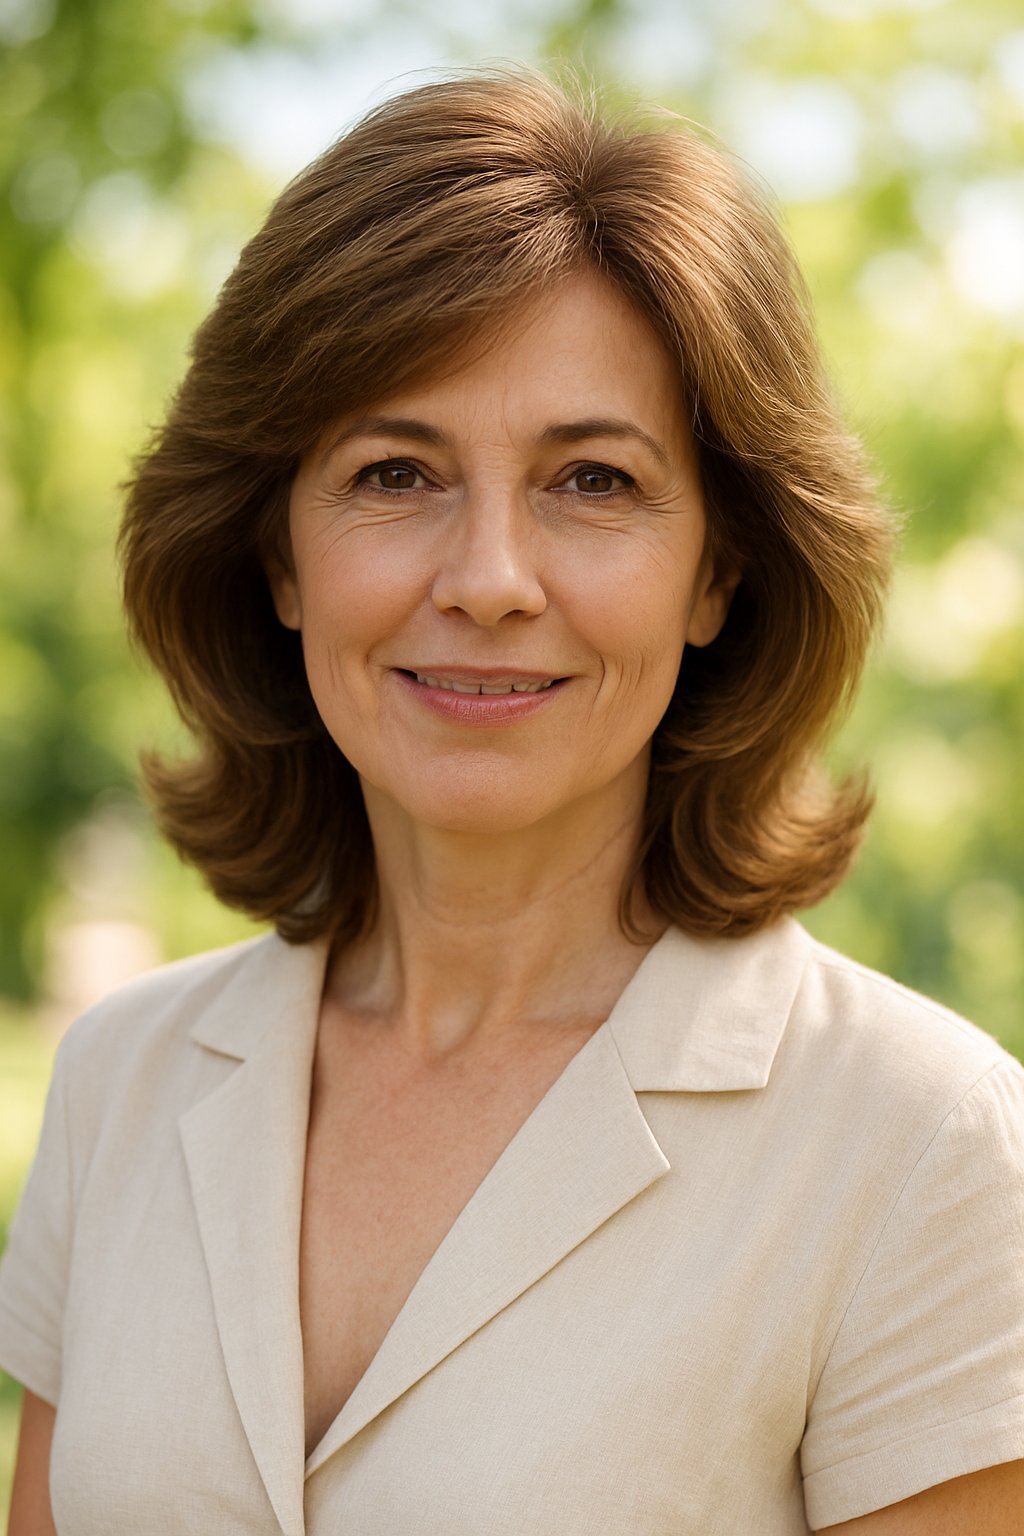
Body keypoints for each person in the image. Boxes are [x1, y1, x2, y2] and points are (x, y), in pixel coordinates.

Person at [1, 68, 1022, 1536]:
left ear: (720, 572)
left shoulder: (920, 1144)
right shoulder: (123, 1085)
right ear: (277, 557)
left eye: (593, 482)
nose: (487, 577)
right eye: (396, 471)